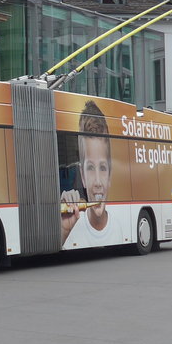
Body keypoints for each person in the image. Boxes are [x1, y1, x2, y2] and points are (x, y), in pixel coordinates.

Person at [60, 100, 114, 245]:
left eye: (102, 168)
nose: (97, 182)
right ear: (82, 176)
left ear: (110, 175)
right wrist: (63, 231)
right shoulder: (71, 227)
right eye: (90, 168)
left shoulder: (120, 226)